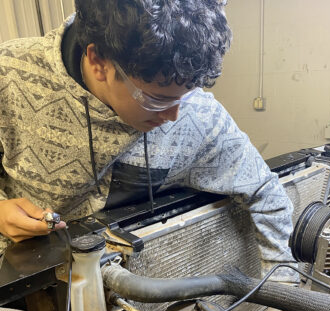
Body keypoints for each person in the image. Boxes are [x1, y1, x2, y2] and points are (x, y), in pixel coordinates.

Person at [0, 0, 297, 283]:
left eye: (187, 94)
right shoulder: (10, 76)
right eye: (157, 100)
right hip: (30, 294)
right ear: (98, 62)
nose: (173, 115)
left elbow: (265, 192)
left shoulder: (197, 115)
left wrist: (284, 289)